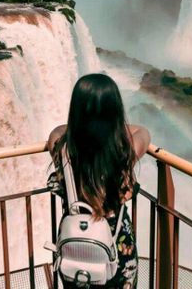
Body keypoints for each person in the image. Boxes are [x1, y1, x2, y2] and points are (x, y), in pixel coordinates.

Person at [47, 73, 150, 289]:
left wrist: (79, 126)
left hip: (75, 246)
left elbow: (57, 131)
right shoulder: (124, 151)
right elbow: (143, 132)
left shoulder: (64, 150)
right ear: (115, 112)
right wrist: (112, 130)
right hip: (116, 248)